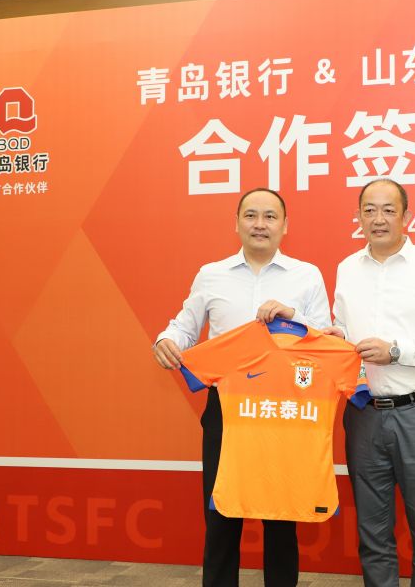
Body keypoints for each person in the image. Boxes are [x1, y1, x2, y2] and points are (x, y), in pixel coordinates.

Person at [153, 188, 330, 587]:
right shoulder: (211, 274)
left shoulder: (306, 275)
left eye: (270, 216)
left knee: (281, 517)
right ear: (236, 223)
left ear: (285, 226)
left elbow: (328, 337)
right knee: (221, 515)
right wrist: (167, 340)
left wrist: (293, 316)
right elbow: (184, 326)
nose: (259, 224)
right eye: (251, 215)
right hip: (227, 409)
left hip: (284, 410)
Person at [326, 178, 415, 587]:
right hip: (363, 415)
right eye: (369, 210)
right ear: (358, 217)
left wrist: (397, 351)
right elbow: (343, 328)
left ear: (406, 217)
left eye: (388, 210)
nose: (378, 219)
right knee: (372, 533)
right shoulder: (347, 269)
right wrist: (335, 337)